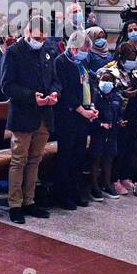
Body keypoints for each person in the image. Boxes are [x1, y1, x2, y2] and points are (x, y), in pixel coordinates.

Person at [0, 16, 59, 224]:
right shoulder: (13, 53)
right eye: (37, 36)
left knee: (35, 159)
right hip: (24, 114)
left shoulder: (47, 51)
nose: (41, 39)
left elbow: (54, 80)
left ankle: (29, 200)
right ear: (27, 32)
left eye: (44, 36)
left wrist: (53, 94)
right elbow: (7, 85)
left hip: (44, 115)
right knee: (19, 160)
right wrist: (31, 96)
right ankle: (15, 204)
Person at [53, 31, 97, 208]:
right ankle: (62, 195)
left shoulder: (81, 63)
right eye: (83, 49)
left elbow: (87, 85)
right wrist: (80, 109)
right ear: (73, 47)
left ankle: (75, 191)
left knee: (79, 155)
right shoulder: (60, 62)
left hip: (82, 116)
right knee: (66, 156)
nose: (85, 53)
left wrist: (91, 106)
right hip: (68, 116)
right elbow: (64, 91)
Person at [109, 41, 137, 195]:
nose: (132, 60)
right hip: (121, 114)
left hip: (135, 112)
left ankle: (125, 176)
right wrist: (123, 94)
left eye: (134, 57)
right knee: (120, 147)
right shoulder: (111, 71)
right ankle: (114, 179)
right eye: (129, 57)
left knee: (131, 146)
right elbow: (106, 92)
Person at [90, 66, 123, 199]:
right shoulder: (95, 96)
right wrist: (100, 124)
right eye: (104, 80)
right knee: (96, 158)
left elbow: (120, 113)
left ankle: (107, 184)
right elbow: (91, 115)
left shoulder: (116, 97)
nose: (106, 83)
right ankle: (94, 186)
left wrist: (120, 121)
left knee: (108, 158)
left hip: (112, 133)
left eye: (109, 80)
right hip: (98, 133)